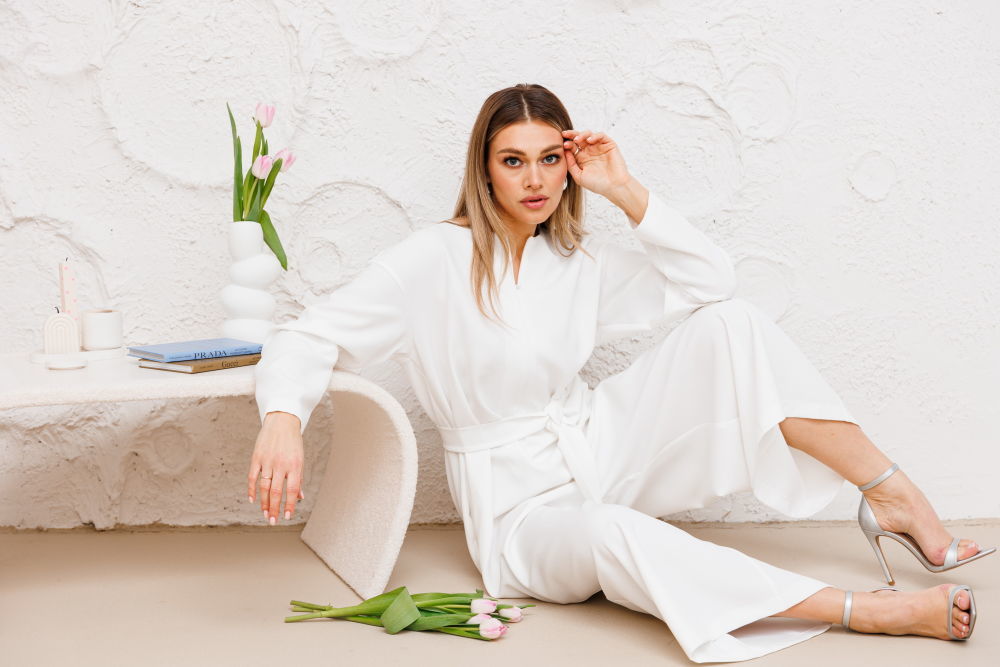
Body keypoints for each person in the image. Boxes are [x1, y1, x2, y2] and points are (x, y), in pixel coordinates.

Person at [247, 83, 993, 662]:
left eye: (550, 159)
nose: (535, 180)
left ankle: (890, 494)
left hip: (597, 447)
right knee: (610, 531)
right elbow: (307, 335)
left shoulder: (574, 261)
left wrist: (622, 187)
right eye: (513, 160)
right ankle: (861, 608)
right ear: (484, 169)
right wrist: (283, 418)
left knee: (730, 325)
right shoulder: (431, 261)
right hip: (519, 516)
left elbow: (712, 281)